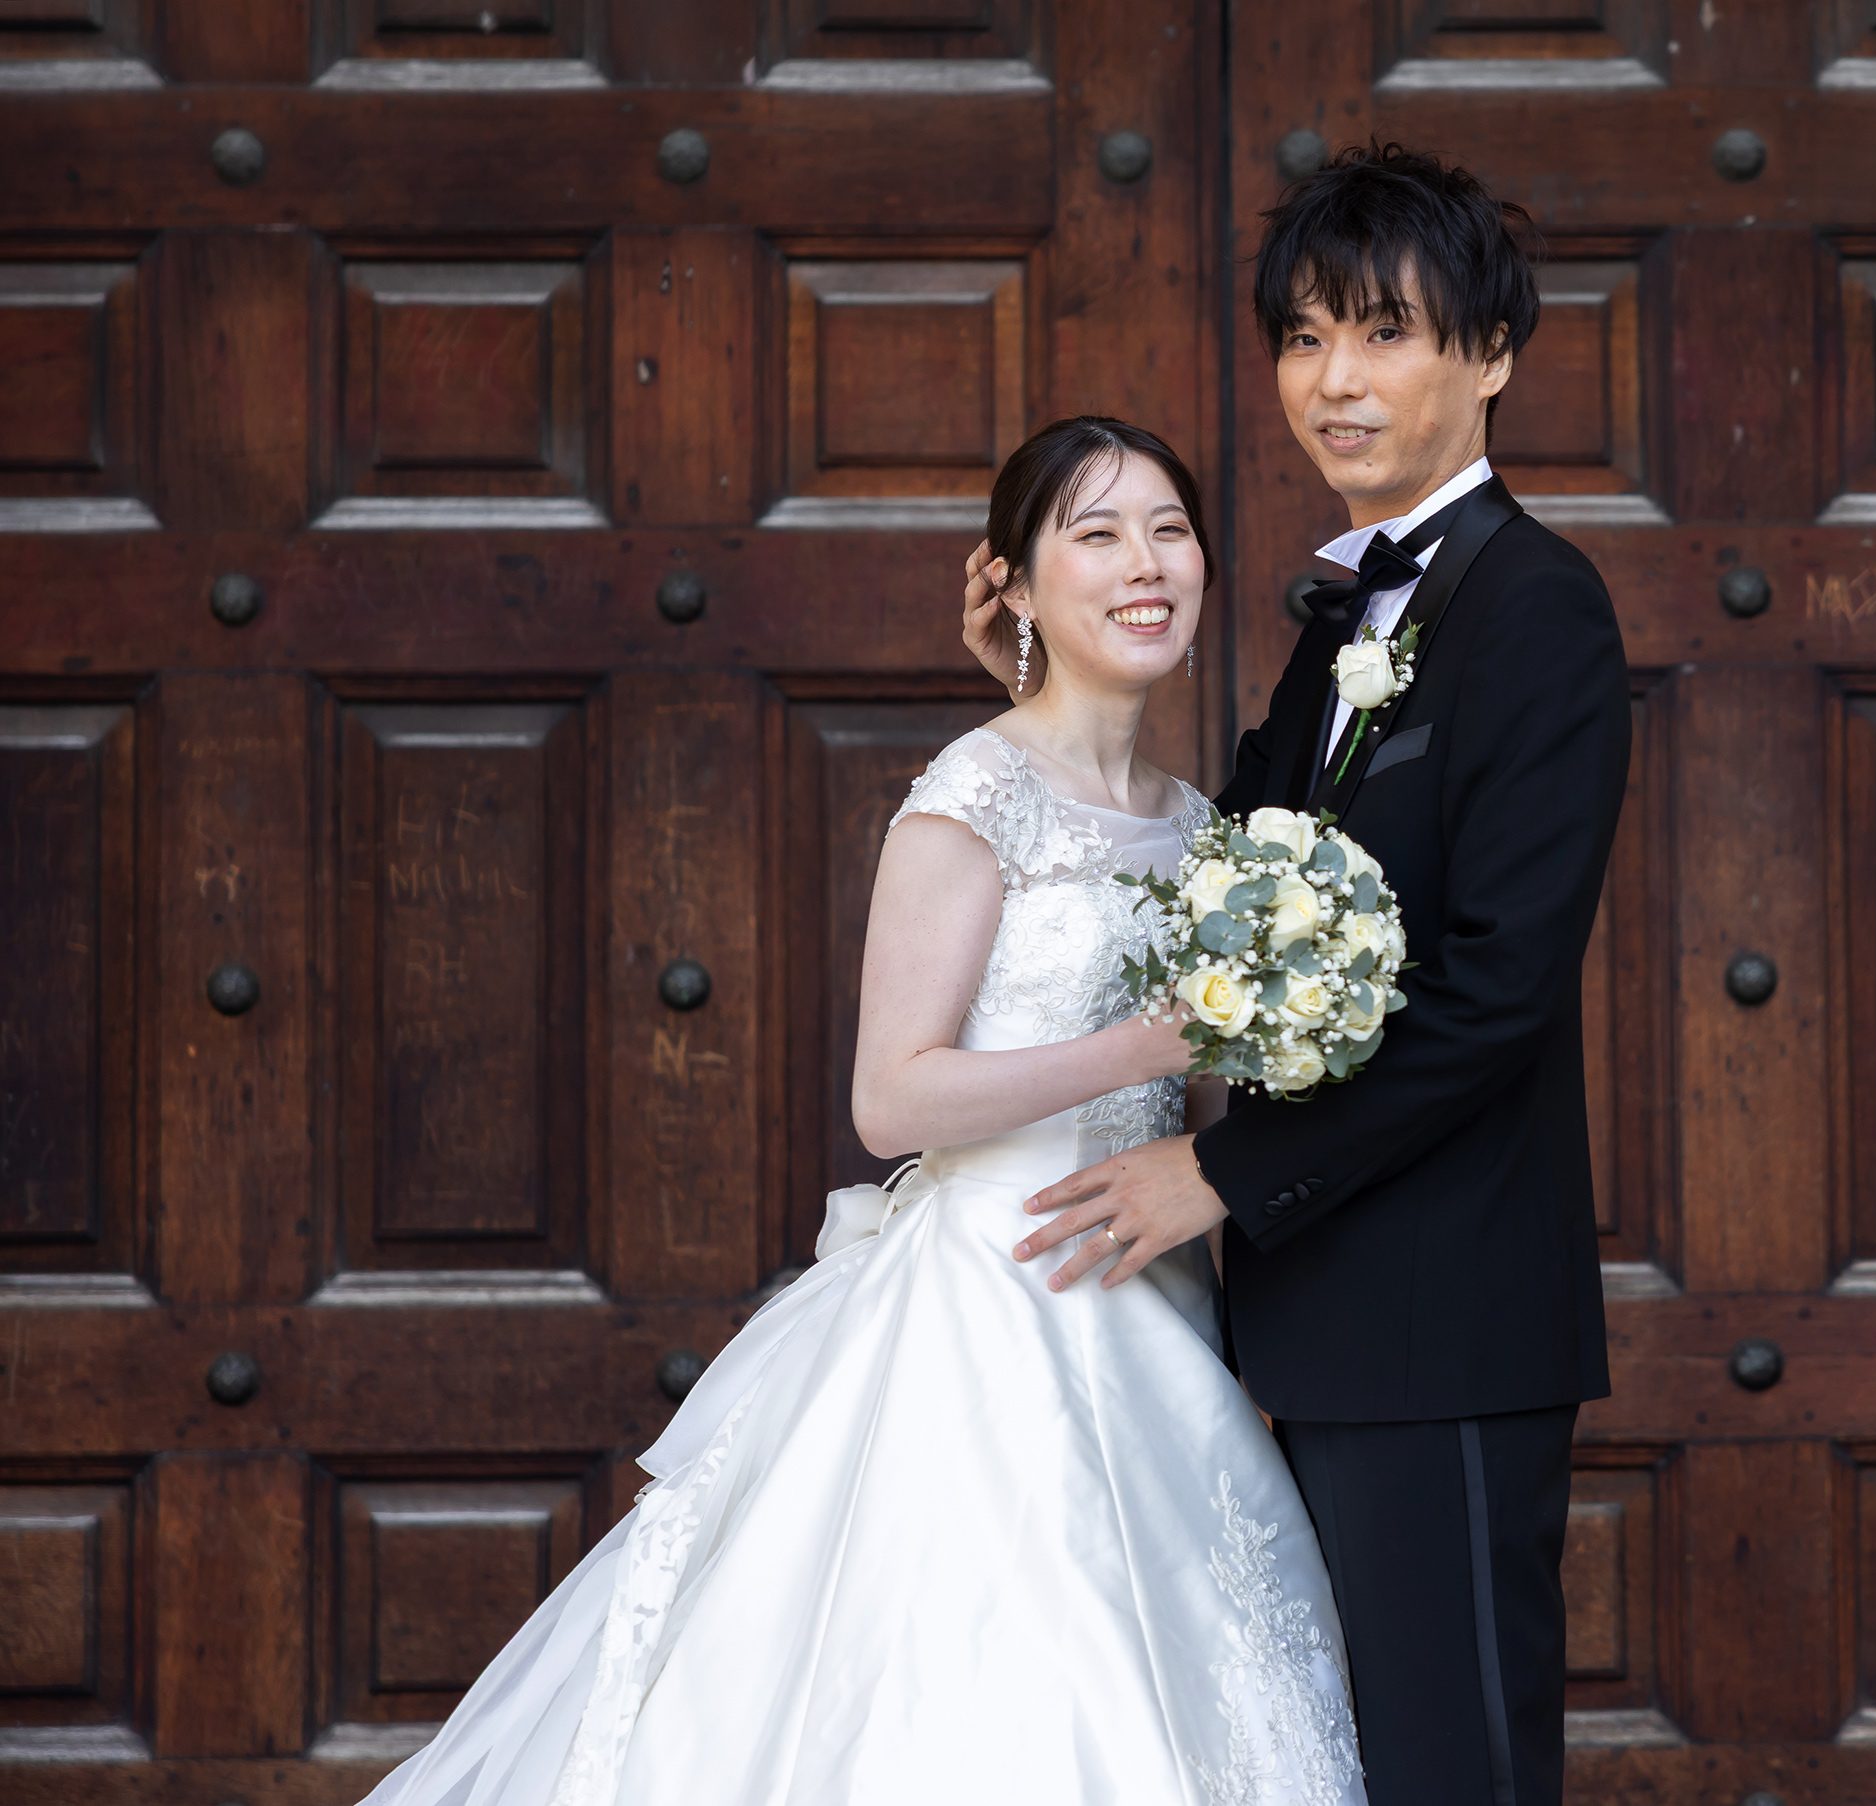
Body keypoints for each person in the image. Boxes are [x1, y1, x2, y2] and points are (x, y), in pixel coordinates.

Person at [356, 417, 1367, 1806]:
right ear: (1011, 585)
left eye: (1170, 529)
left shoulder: (1201, 824)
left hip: (1151, 1294)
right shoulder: (975, 795)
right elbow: (893, 1095)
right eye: (1096, 532)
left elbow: (1188, 1080)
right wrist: (1144, 1038)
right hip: (989, 1305)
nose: (1146, 563)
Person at [965, 144, 1631, 1806]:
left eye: (1385, 333)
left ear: (1489, 355)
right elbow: (1231, 905)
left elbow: (1494, 990)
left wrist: (1217, 1169)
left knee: (1450, 1771)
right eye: (1305, 337)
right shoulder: (1340, 623)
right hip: (1308, 1315)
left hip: (1446, 1322)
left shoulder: (1537, 608)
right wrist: (1045, 702)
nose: (1334, 381)